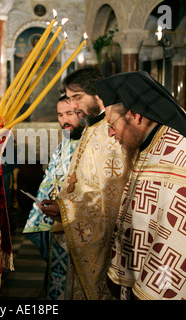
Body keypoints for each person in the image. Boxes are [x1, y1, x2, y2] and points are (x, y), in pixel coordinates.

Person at [95, 71, 186, 300]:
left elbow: (181, 243)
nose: (110, 133)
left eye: (112, 124)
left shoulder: (176, 155)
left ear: (135, 115)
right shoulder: (151, 146)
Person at [40, 66, 128, 299]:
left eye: (77, 98)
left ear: (98, 93)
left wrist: (66, 208)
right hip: (82, 228)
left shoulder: (112, 132)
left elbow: (112, 196)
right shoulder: (91, 129)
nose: (73, 106)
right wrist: (63, 206)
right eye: (69, 99)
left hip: (106, 242)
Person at [22, 94, 85, 299]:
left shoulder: (93, 146)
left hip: (81, 229)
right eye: (59, 114)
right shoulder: (63, 144)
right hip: (57, 225)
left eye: (69, 113)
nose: (64, 120)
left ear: (81, 112)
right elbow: (50, 181)